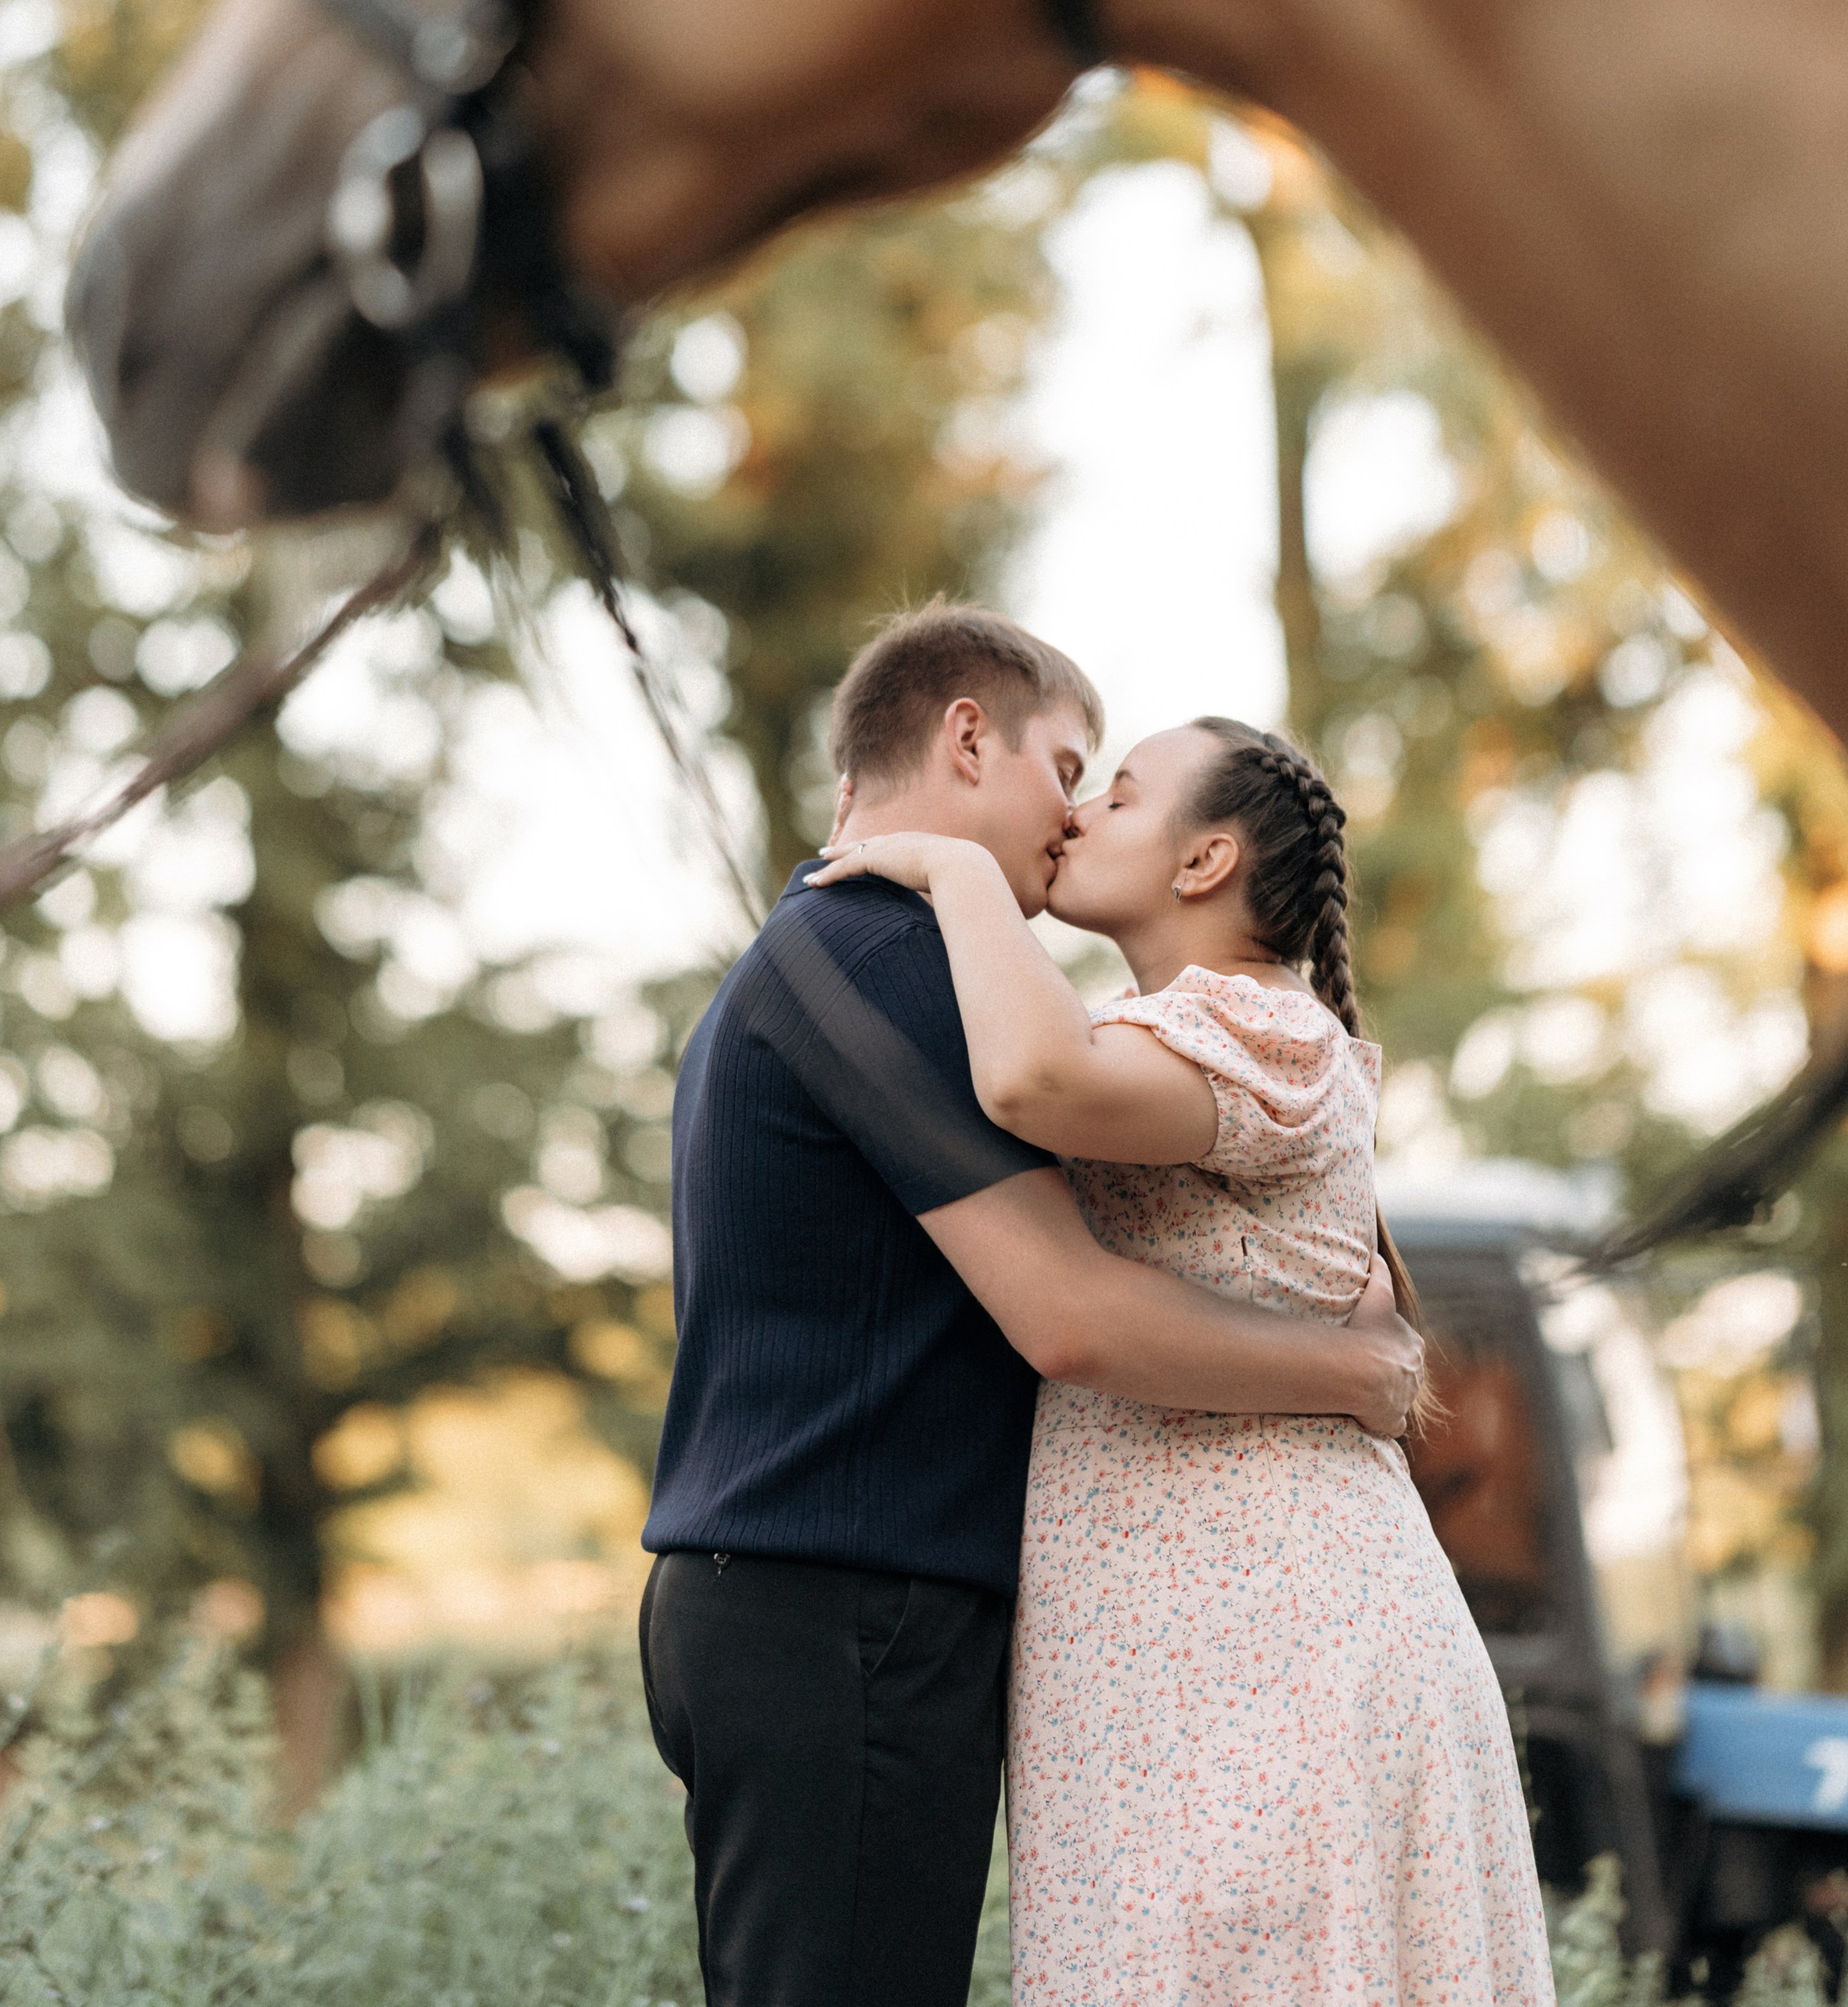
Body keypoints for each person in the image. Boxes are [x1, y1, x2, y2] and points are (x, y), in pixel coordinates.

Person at [640, 608, 1426, 2007]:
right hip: (845, 1609)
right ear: (964, 739)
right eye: (1070, 765)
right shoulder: (882, 958)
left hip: (813, 1598)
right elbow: (1068, 1312)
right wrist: (1350, 1372)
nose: (1072, 813)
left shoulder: (865, 956)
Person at [815, 715, 1554, 2005]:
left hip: (1274, 1652)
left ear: (1203, 861)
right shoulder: (1164, 1028)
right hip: (1168, 1662)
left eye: (1120, 794)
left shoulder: (1264, 1029)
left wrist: (961, 872)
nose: (1081, 812)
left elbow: (1040, 1082)